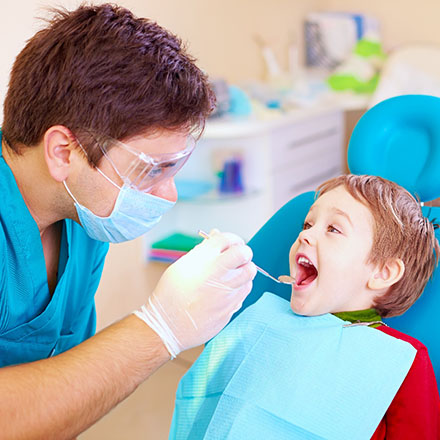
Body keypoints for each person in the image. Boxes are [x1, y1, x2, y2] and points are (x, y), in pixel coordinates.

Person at [0, 4, 256, 438]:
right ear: (64, 152)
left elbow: (66, 387)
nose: (168, 194)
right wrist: (160, 327)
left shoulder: (83, 223)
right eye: (152, 169)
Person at [171, 174, 440, 439]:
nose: (306, 236)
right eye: (308, 224)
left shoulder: (401, 360)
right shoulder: (262, 320)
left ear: (383, 272)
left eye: (333, 229)